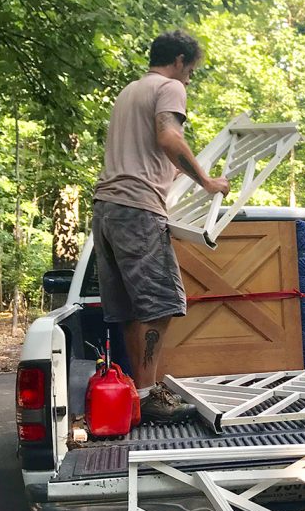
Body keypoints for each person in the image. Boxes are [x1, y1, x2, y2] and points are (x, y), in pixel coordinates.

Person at [92, 29, 230, 424]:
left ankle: (140, 394)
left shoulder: (128, 93)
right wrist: (206, 181)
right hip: (138, 210)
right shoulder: (168, 87)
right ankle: (150, 396)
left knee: (134, 311)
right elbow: (169, 137)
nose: (189, 80)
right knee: (160, 305)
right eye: (191, 71)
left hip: (107, 210)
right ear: (180, 61)